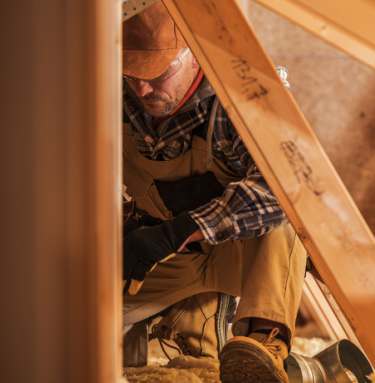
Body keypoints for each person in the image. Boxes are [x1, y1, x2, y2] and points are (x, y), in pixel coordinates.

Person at [120, 3, 306, 382]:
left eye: (157, 74)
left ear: (194, 53)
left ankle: (261, 341)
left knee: (286, 210)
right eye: (130, 74)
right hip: (160, 256)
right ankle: (195, 312)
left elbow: (285, 183)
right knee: (66, 316)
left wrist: (175, 233)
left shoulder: (244, 91)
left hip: (242, 258)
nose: (142, 88)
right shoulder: (112, 96)